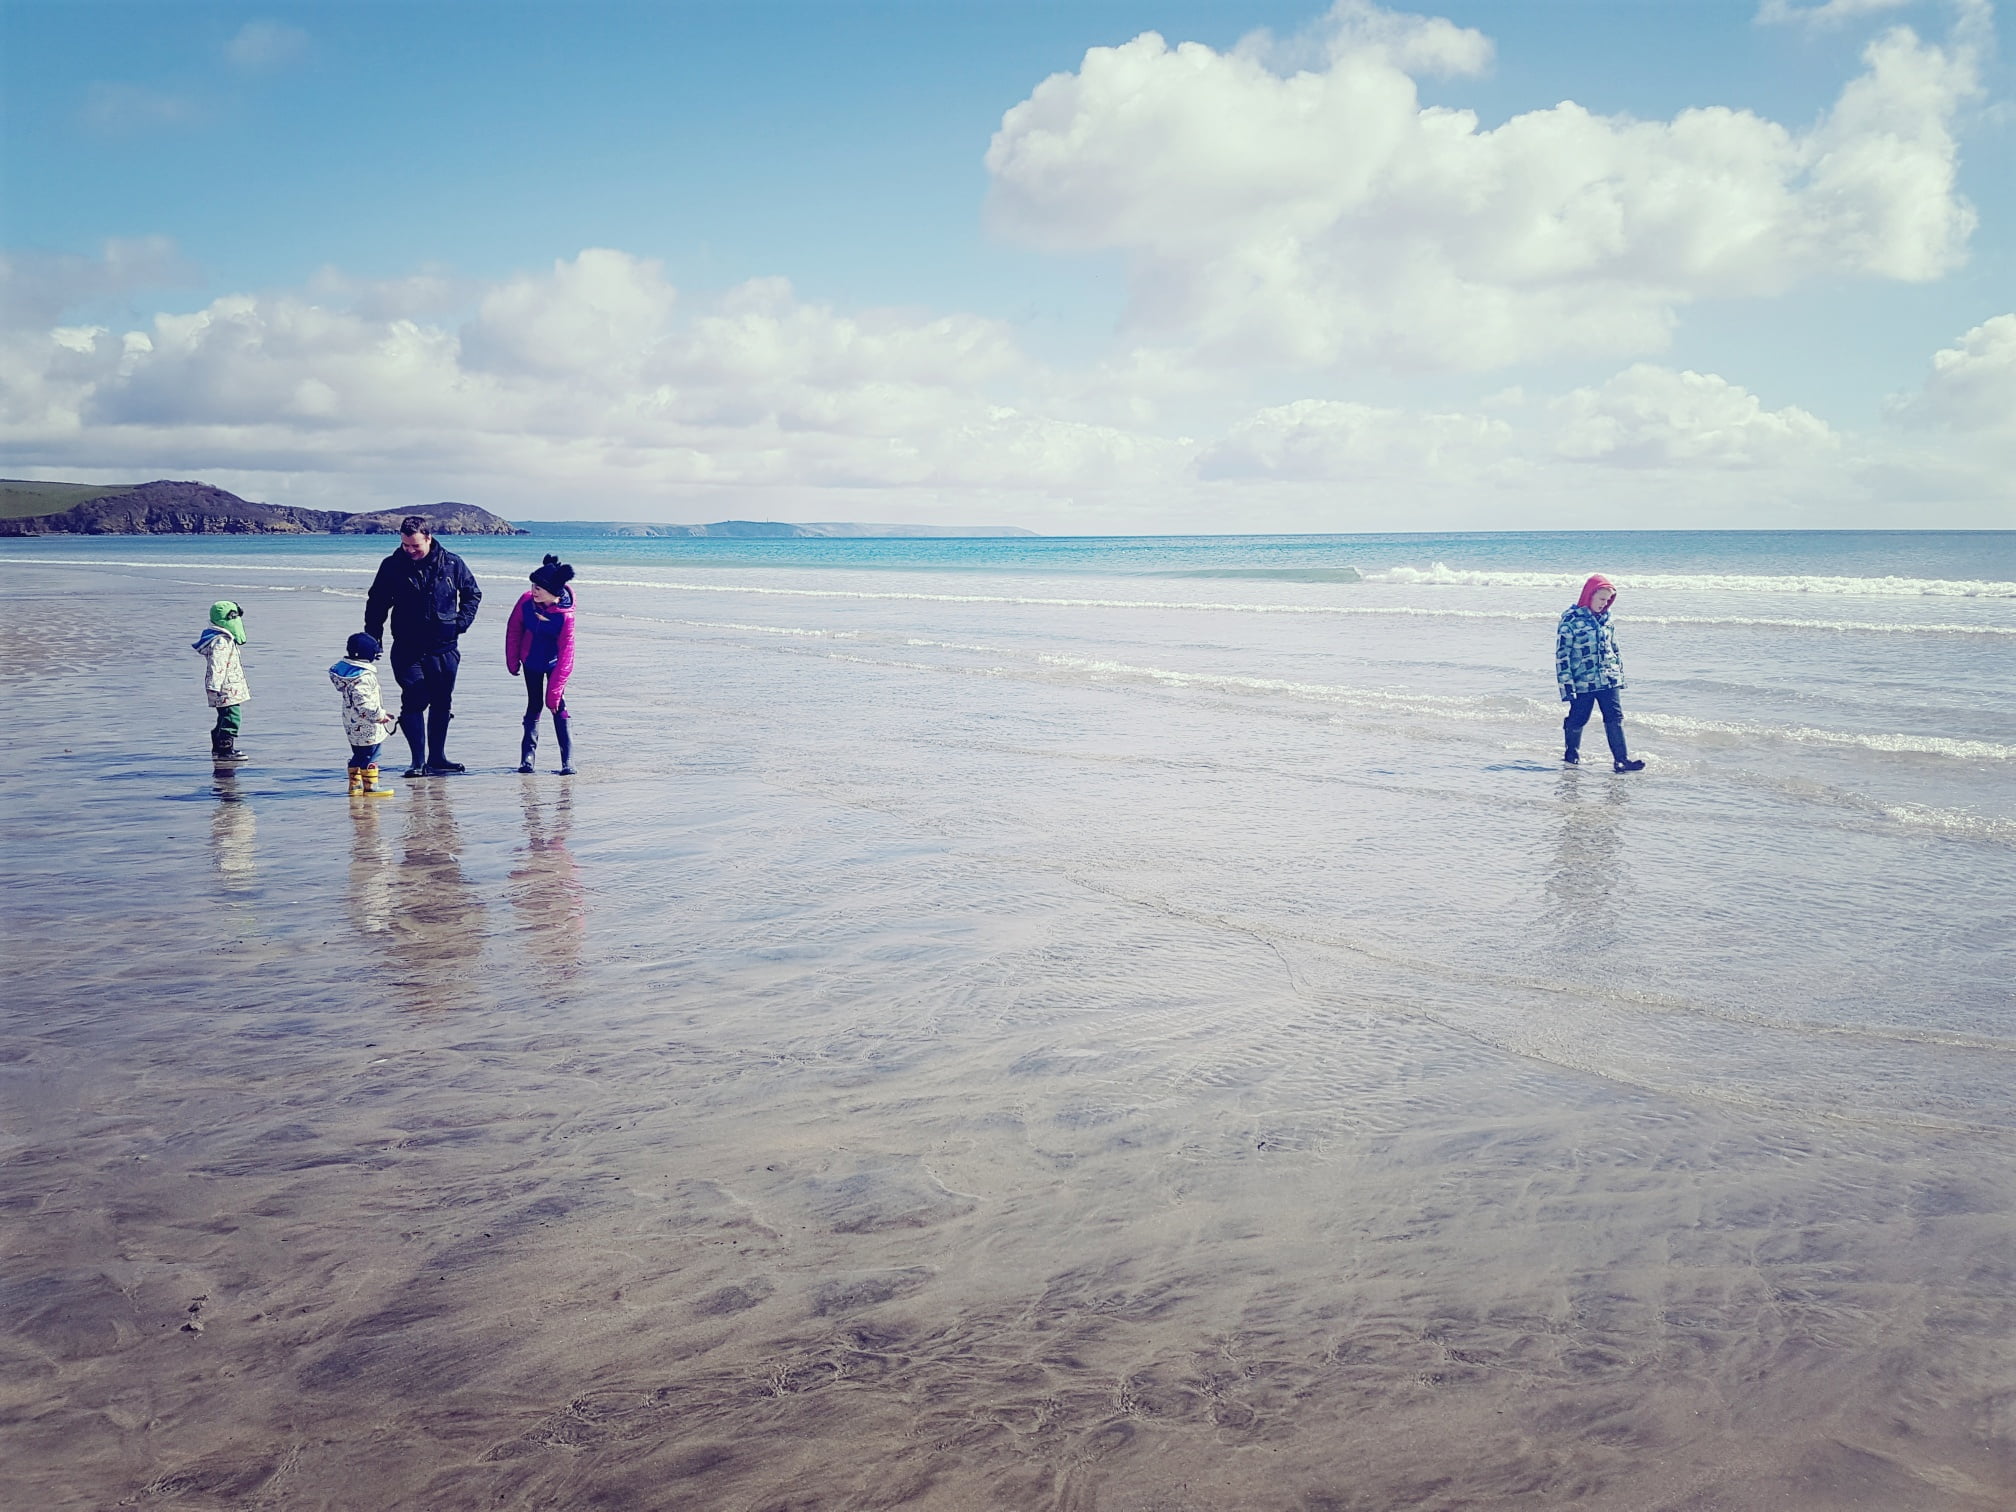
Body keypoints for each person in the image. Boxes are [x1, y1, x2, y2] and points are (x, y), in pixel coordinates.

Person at [364, 515, 482, 777]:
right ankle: (418, 762)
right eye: (405, 545)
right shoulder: (392, 566)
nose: (410, 551)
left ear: (428, 538)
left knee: (442, 702)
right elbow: (377, 603)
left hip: (445, 647)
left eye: (415, 545)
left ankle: (437, 758)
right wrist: (373, 638)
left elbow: (473, 594)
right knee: (415, 698)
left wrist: (460, 623)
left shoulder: (452, 563)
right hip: (407, 647)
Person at [1556, 574, 1645, 773]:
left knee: (1614, 717)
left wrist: (1619, 676)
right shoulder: (1571, 621)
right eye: (1601, 599)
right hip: (1583, 682)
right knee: (1579, 719)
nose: (1604, 604)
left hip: (1608, 679)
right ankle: (1571, 754)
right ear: (1589, 596)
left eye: (1608, 600)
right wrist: (1566, 687)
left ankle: (1621, 760)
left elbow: (1614, 648)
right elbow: (1563, 656)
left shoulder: (1607, 620)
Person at [504, 554, 577, 774]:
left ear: (552, 591)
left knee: (557, 705)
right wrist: (512, 659)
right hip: (531, 661)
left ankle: (568, 761)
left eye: (539, 587)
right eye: (533, 585)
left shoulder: (565, 616)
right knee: (534, 704)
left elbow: (567, 653)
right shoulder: (526, 602)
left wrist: (554, 691)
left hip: (555, 664)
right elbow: (514, 629)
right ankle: (527, 759)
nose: (534, 590)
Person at [331, 632, 399, 798]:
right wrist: (380, 716)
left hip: (350, 723)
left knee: (358, 753)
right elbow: (365, 704)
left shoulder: (346, 675)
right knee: (372, 753)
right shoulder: (364, 677)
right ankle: (371, 787)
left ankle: (355, 786)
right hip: (367, 724)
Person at [192, 600, 250, 760]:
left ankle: (219, 746)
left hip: (229, 686)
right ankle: (225, 749)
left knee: (225, 716)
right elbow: (217, 665)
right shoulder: (221, 642)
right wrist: (214, 686)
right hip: (225, 688)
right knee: (232, 716)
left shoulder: (224, 639)